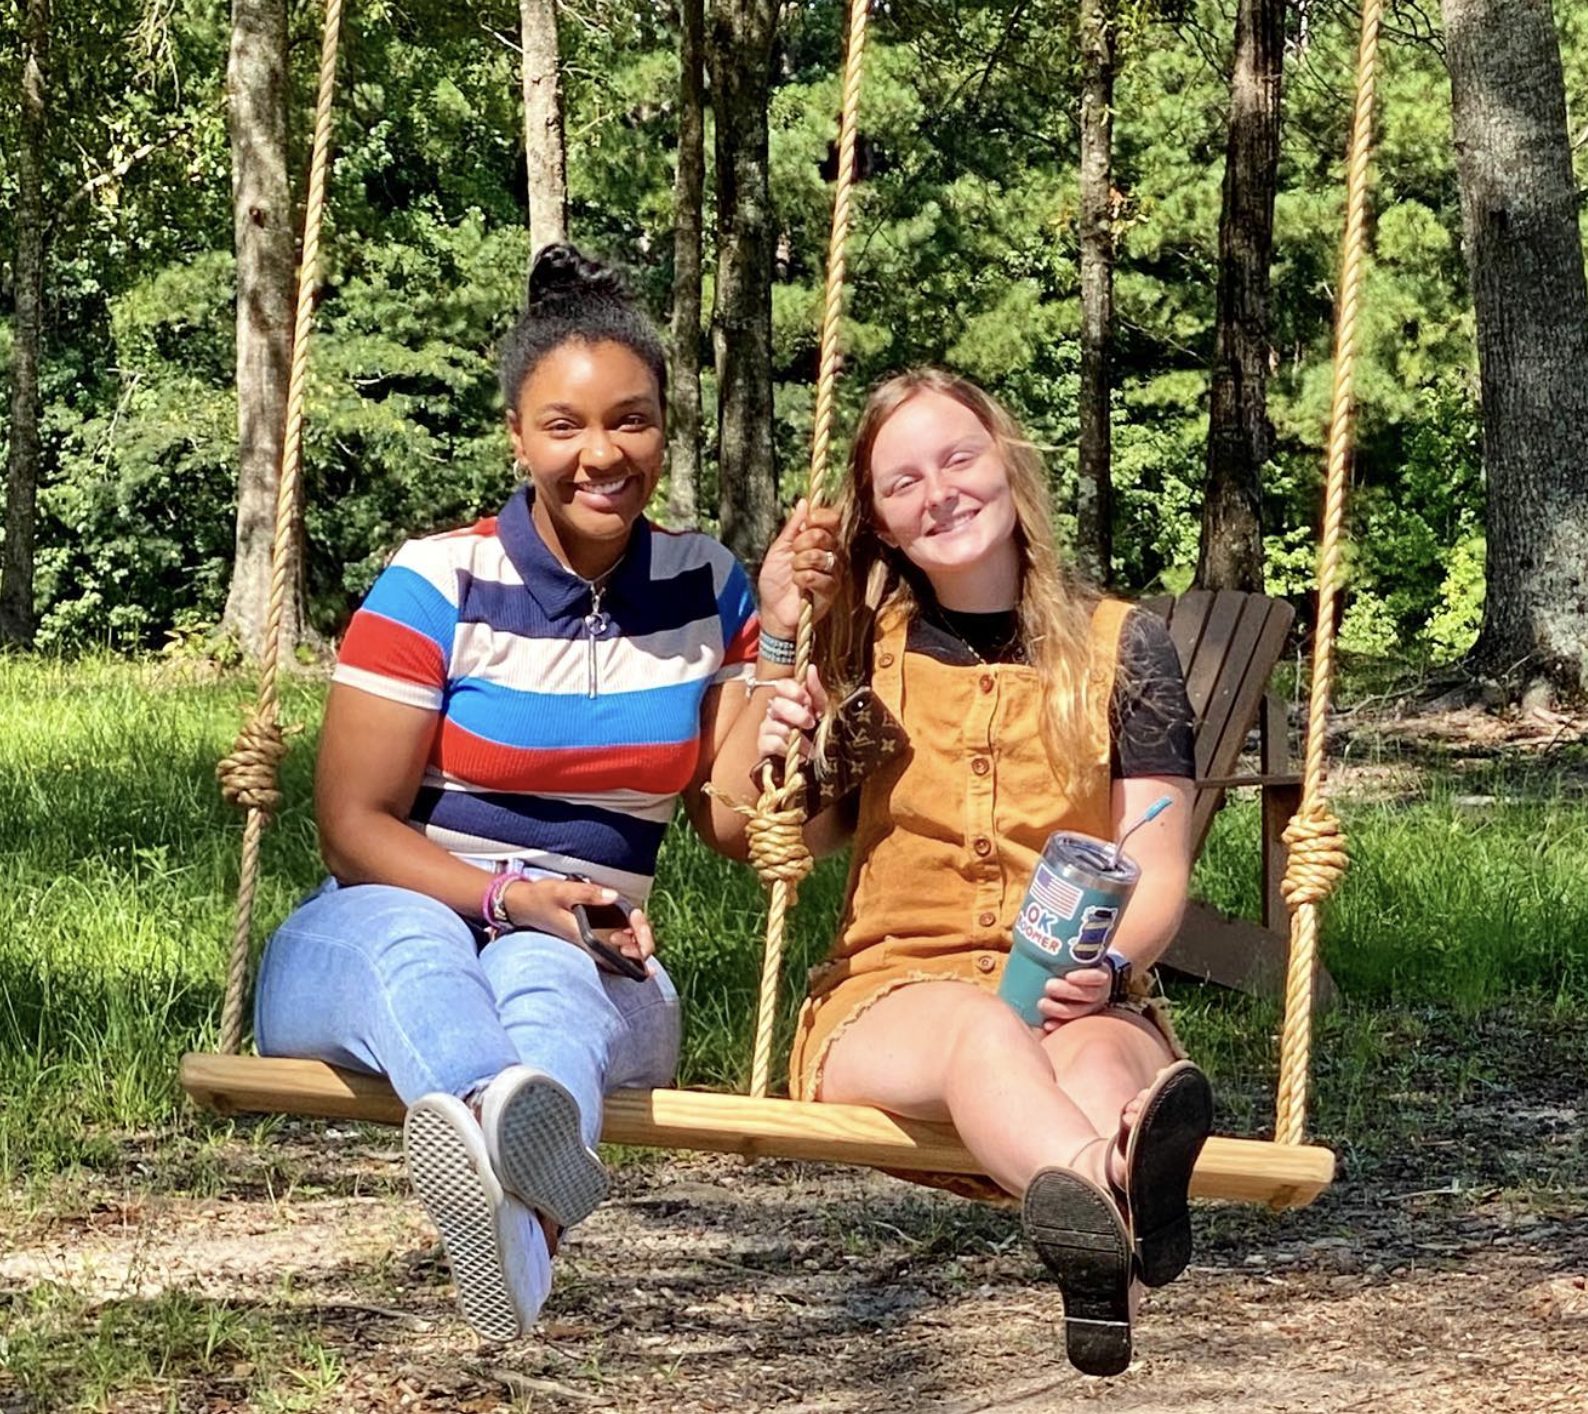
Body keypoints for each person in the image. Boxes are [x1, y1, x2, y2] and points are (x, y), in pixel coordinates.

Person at [253, 244, 838, 1341]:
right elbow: (349, 829)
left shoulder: (708, 585)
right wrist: (515, 892)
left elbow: (725, 818)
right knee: (421, 941)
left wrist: (781, 642)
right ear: (517, 435)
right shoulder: (437, 581)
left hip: (593, 958)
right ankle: (516, 1140)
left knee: (547, 971)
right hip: (379, 935)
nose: (602, 454)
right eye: (564, 426)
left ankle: (510, 1222)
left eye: (633, 421)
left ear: (666, 428)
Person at [745, 369, 1213, 1377]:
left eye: (957, 458)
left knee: (1098, 1064)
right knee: (985, 1026)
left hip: (1081, 993)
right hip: (891, 1001)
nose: (939, 492)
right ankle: (1105, 1191)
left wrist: (1115, 965)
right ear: (879, 517)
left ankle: (1099, 1264)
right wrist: (778, 649)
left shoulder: (1121, 649)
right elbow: (772, 828)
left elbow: (1156, 862)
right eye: (902, 481)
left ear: (1008, 464)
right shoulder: (866, 648)